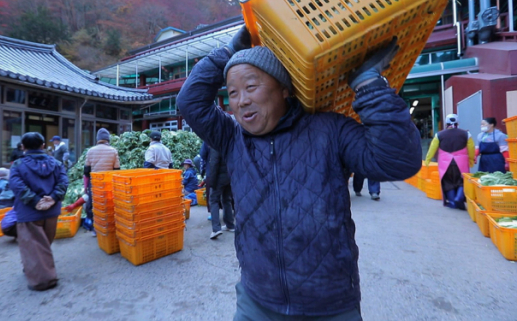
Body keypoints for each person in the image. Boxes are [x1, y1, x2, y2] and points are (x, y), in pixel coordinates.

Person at [177, 27, 422, 319]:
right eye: (232, 93)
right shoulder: (232, 138)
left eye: (251, 87)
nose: (241, 100)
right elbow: (189, 102)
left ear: (284, 88)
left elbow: (398, 160)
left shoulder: (329, 129)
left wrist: (368, 84)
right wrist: (228, 54)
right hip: (257, 300)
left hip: (330, 305)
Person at [9, 132, 68, 291]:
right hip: (52, 212)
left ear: (23, 147)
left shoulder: (18, 165)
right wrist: (53, 198)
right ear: (43, 146)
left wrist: (35, 201)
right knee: (44, 244)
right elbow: (63, 181)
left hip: (29, 212)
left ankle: (44, 280)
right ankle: (32, 268)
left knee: (34, 246)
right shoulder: (56, 163)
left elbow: (17, 185)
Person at [425, 114, 475, 209]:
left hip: (445, 163)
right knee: (462, 180)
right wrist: (471, 159)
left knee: (448, 182)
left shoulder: (439, 135)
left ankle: (452, 202)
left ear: (446, 123)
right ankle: (459, 197)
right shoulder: (466, 134)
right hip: (461, 162)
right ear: (458, 122)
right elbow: (471, 148)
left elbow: (432, 148)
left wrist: (428, 159)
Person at [83, 128, 120, 236]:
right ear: (108, 139)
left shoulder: (90, 151)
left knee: (96, 204)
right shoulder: (113, 151)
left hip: (95, 182)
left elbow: (86, 171)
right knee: (108, 204)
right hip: (109, 183)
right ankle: (109, 227)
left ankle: (96, 229)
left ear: (97, 139)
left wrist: (86, 185)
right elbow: (117, 170)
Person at [207, 147, 235, 240]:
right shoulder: (228, 143)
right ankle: (230, 225)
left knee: (214, 200)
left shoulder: (215, 145)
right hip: (229, 176)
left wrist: (212, 181)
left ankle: (216, 229)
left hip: (219, 177)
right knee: (226, 200)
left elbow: (214, 163)